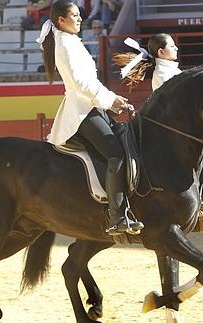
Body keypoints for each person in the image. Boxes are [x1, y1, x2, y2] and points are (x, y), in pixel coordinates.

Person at [36, 0, 143, 235]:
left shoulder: (70, 41)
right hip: (82, 112)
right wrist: (110, 100)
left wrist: (113, 98)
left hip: (91, 107)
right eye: (74, 15)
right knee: (116, 154)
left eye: (79, 14)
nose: (79, 18)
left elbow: (89, 83)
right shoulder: (65, 45)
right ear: (60, 20)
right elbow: (81, 84)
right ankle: (117, 216)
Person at [113, 33, 181, 91]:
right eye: (172, 46)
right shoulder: (162, 73)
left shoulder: (167, 70)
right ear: (161, 52)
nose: (176, 48)